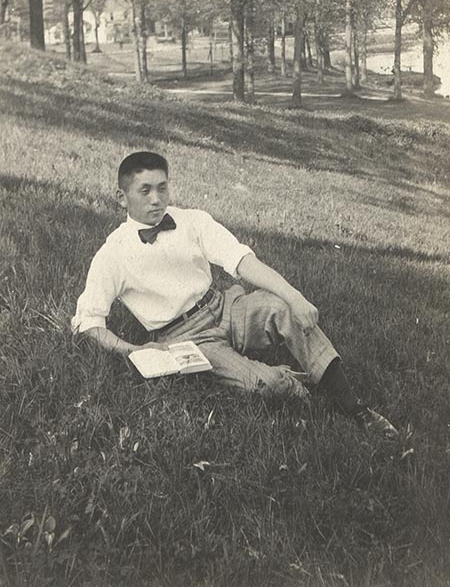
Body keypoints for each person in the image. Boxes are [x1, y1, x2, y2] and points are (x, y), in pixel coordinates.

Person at [72, 151, 398, 440]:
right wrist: (137, 350)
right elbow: (87, 321)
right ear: (121, 196)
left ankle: (355, 409)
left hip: (224, 305)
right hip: (186, 339)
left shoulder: (192, 221)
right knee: (268, 386)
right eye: (145, 190)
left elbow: (241, 260)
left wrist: (294, 296)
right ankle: (295, 383)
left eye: (162, 187)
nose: (156, 199)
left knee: (281, 307)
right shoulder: (112, 253)